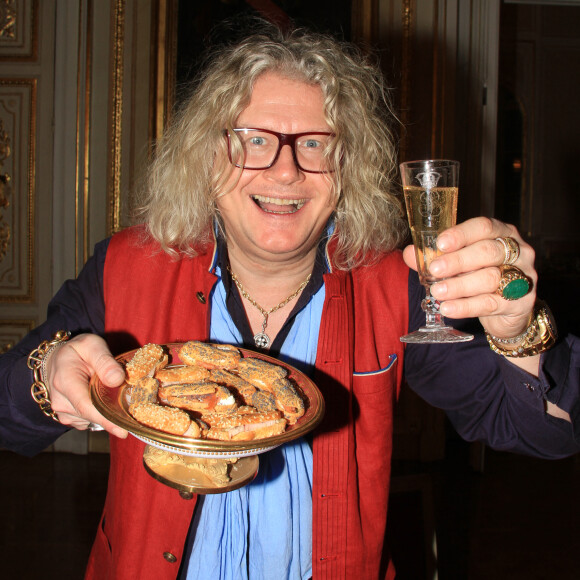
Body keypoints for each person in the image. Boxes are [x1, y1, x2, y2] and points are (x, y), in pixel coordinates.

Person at [1, 21, 579, 580]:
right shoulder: (125, 268)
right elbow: (8, 418)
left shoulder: (396, 286)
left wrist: (517, 328)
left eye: (313, 144)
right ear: (207, 157)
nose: (284, 170)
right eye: (253, 140)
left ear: (348, 170)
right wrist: (50, 376)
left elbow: (546, 434)